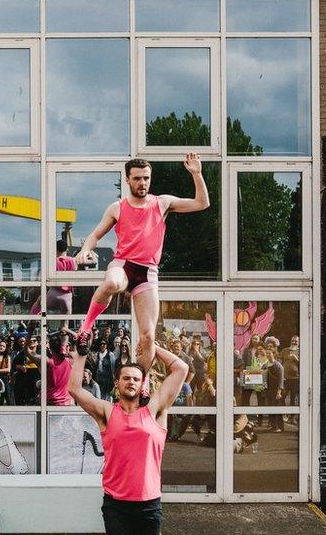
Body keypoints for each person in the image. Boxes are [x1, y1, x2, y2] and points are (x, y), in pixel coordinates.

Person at [73, 154, 209, 380]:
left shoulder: (162, 203)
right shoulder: (117, 207)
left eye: (146, 178)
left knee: (148, 336)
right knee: (112, 282)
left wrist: (196, 173)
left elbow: (201, 203)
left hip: (148, 272)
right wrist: (85, 250)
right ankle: (85, 329)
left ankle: (142, 383)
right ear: (127, 180)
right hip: (124, 264)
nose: (142, 183)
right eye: (137, 178)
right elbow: (95, 234)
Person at [68, 333, 189, 535]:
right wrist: (81, 354)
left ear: (142, 384)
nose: (131, 382)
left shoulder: (155, 410)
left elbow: (181, 368)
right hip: (116, 506)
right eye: (126, 378)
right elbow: (74, 388)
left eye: (136, 379)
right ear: (117, 383)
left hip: (149, 504)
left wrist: (151, 346)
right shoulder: (107, 412)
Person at [265, 349, 285, 432]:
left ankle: (279, 427)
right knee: (270, 408)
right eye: (267, 354)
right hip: (269, 389)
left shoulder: (278, 365)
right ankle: (273, 426)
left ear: (273, 354)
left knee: (277, 409)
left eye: (269, 353)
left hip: (277, 390)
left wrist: (279, 392)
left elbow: (281, 380)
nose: (268, 355)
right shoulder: (265, 365)